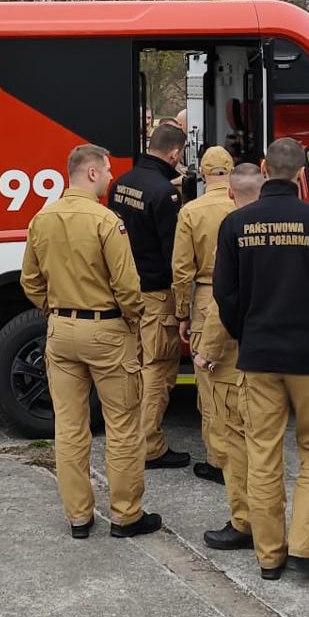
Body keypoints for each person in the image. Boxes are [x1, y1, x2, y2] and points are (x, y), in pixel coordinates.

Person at [214, 138, 309, 581]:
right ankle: (306, 549)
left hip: (258, 355)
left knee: (262, 452)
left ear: (264, 167)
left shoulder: (236, 223)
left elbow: (225, 294)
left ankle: (268, 555)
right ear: (301, 174)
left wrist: (244, 333)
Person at [21, 144, 162, 540]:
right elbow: (127, 285)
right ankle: (126, 515)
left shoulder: (42, 218)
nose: (111, 177)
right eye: (107, 170)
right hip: (107, 331)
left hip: (60, 331)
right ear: (92, 173)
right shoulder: (106, 221)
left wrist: (54, 309)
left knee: (68, 427)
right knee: (122, 426)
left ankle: (79, 517)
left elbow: (29, 280)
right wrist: (133, 323)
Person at [172, 148, 252, 546]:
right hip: (249, 303)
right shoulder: (244, 205)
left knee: (212, 385)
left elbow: (182, 268)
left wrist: (180, 312)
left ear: (203, 174)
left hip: (207, 299)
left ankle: (219, 459)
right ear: (233, 172)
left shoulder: (191, 211)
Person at [107, 123, 192, 470]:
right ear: (174, 154)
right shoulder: (165, 194)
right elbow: (174, 251)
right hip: (157, 294)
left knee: (135, 368)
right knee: (158, 370)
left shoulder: (121, 183)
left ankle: (129, 438)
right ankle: (149, 446)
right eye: (181, 155)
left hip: (128, 291)